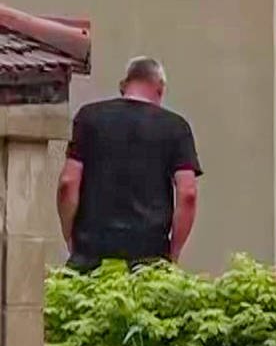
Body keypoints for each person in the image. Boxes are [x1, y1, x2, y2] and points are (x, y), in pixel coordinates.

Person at [57, 56, 201, 272]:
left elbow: (68, 182)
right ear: (160, 89)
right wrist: (173, 252)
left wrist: (70, 237)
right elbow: (188, 193)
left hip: (92, 255)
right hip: (149, 258)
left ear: (124, 85)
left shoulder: (89, 117)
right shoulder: (176, 127)